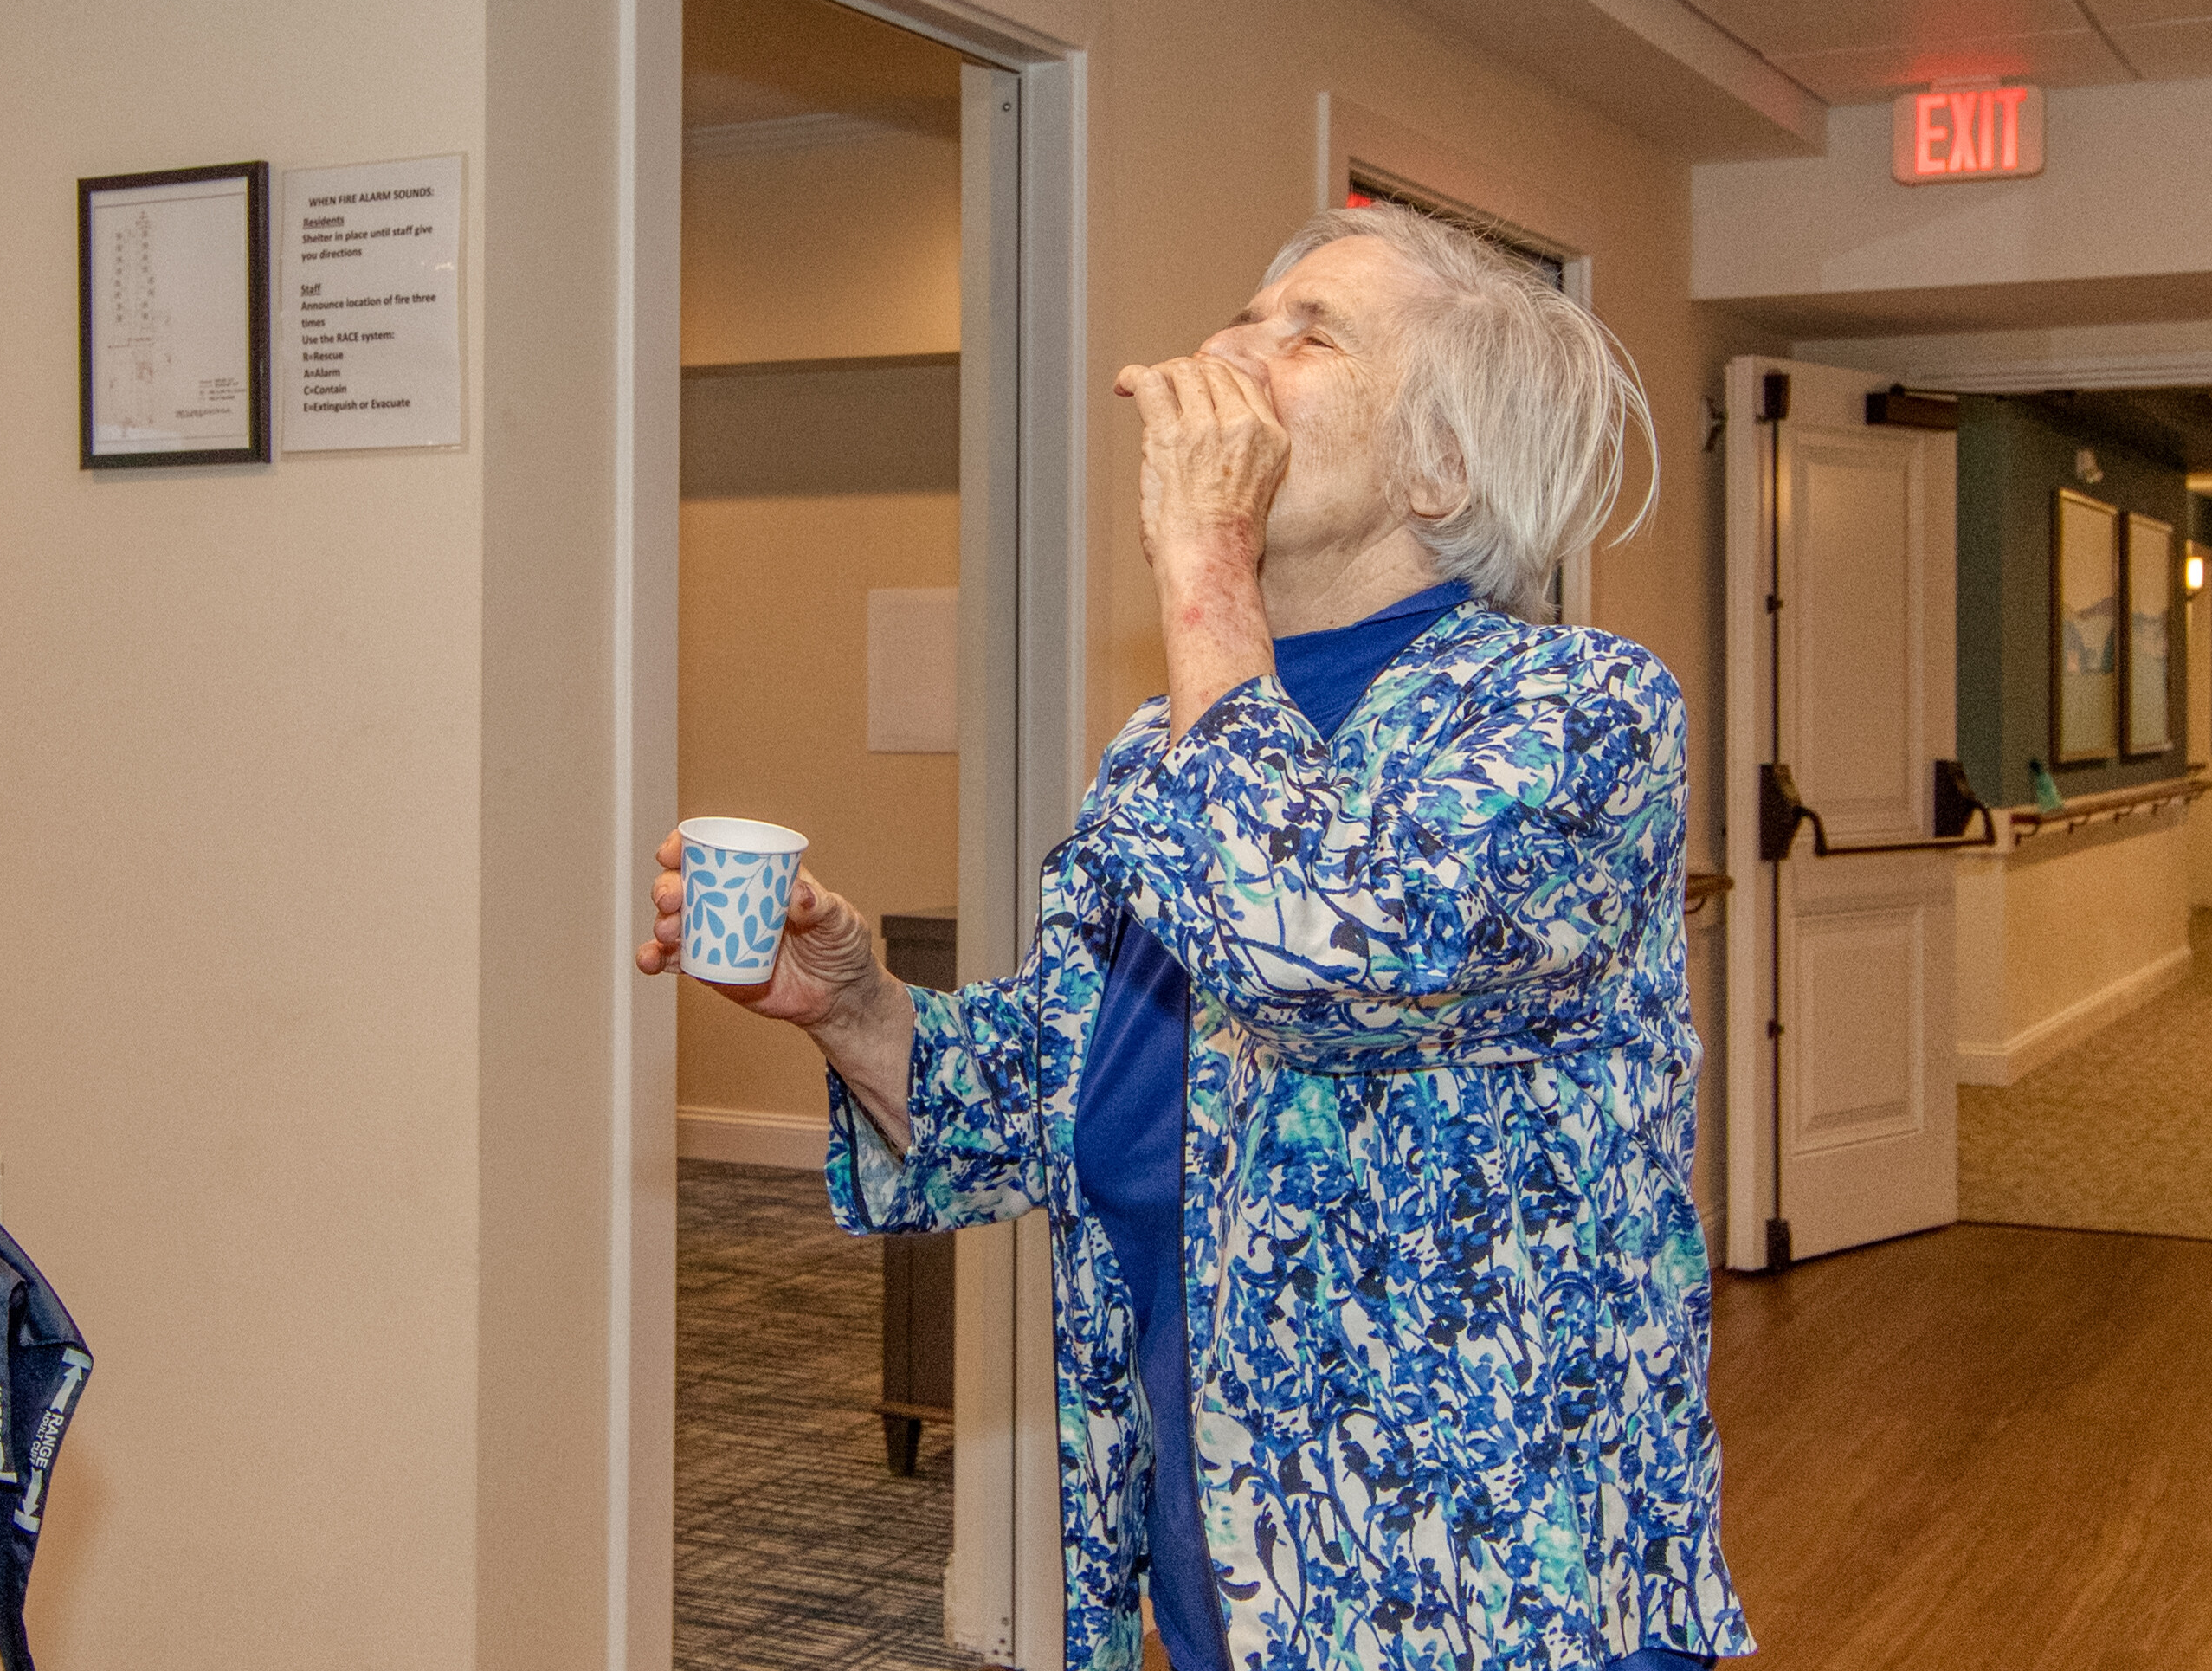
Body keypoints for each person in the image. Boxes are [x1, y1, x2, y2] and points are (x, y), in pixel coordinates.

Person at [644, 205, 1755, 1669]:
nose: (1233, 347)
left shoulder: (1579, 711)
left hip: (1486, 1588)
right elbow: (1049, 1106)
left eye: (1310, 332)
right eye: (1245, 314)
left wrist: (1203, 559)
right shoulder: (1167, 747)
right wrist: (854, 1006)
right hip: (1231, 1562)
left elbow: (1310, 954)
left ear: (1440, 467)